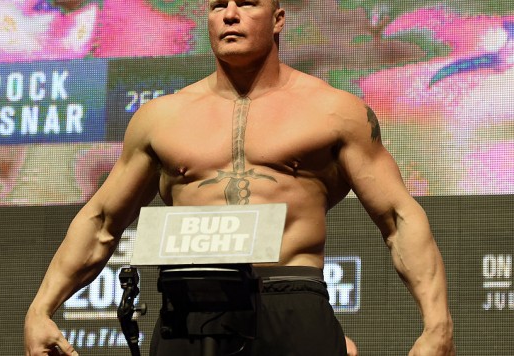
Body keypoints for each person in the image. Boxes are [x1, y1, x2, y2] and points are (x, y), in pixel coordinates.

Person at [24, 0, 455, 355]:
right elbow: (101, 220)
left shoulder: (334, 111)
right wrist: (41, 309)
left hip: (289, 297)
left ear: (279, 19)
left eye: (247, 4)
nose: (230, 14)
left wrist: (437, 325)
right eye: (217, 6)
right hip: (186, 308)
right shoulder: (160, 118)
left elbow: (399, 218)